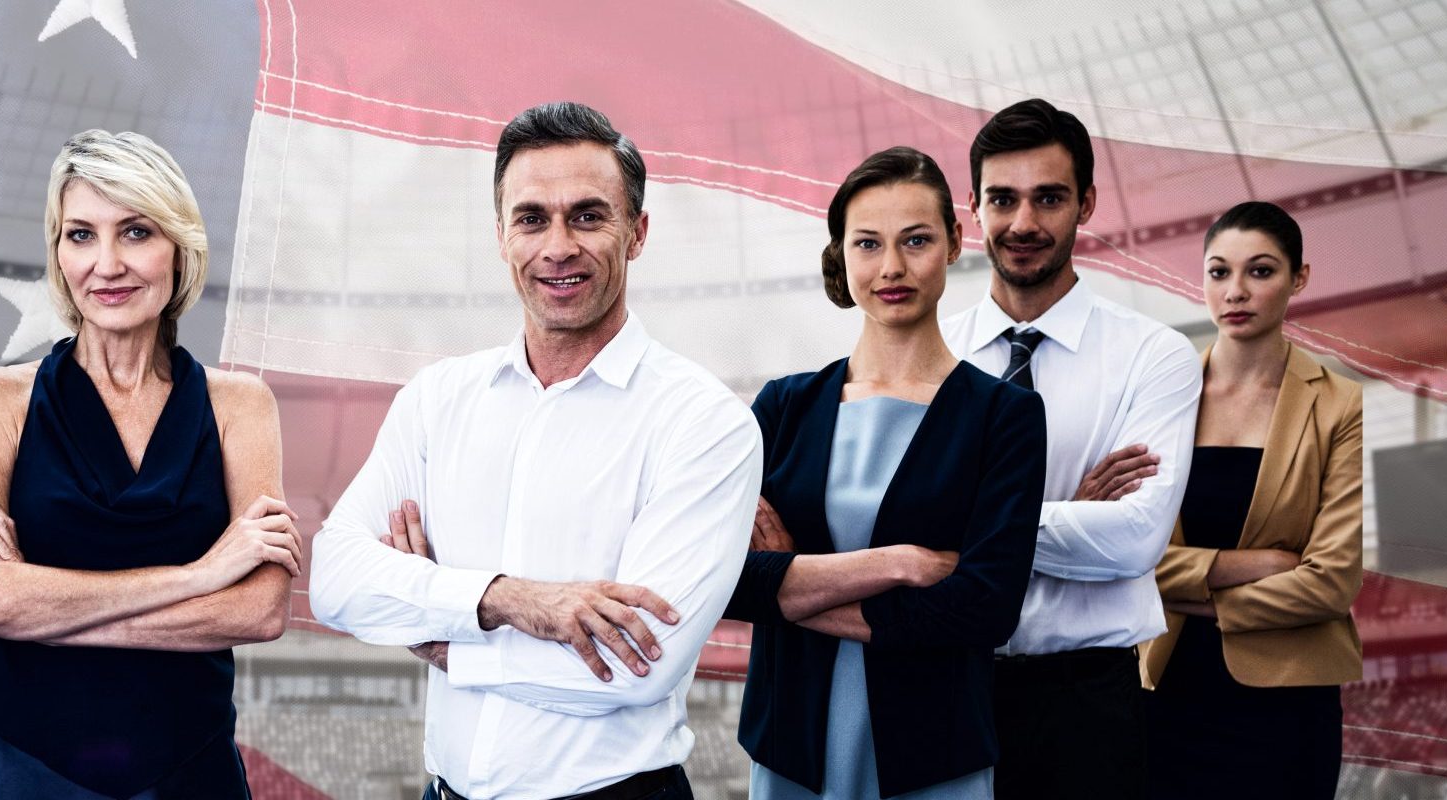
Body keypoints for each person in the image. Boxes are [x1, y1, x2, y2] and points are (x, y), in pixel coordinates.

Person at [309, 101, 760, 800]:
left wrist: (444, 634)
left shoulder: (703, 422)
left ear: (637, 233)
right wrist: (503, 600)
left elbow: (643, 664)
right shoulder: (438, 399)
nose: (557, 246)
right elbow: (335, 580)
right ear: (500, 236)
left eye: (587, 215)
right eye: (531, 218)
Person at [0, 129, 294, 798]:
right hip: (23, 771)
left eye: (135, 232)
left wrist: (41, 606)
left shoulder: (241, 406)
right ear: (57, 252)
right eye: (80, 235)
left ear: (179, 248)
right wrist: (200, 575)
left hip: (189, 772)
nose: (106, 264)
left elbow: (260, 609)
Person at [723, 147, 1045, 800]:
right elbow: (722, 583)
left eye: (916, 240)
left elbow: (986, 610)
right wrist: (898, 563)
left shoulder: (1005, 416)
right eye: (868, 243)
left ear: (955, 243)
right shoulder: (782, 409)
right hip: (792, 757)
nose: (892, 267)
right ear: (842, 253)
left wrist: (791, 584)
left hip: (935, 763)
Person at [936, 99, 1204, 799]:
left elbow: (1134, 541)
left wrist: (964, 527)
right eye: (1003, 199)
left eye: (1048, 198)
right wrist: (1064, 512)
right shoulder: (926, 355)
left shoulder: (1156, 355)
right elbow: (884, 528)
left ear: (1086, 204)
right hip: (943, 690)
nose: (1023, 223)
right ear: (972, 207)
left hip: (1086, 706)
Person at [1136, 201, 1362, 798]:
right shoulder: (1158, 395)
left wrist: (1202, 598)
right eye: (1219, 272)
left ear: (1299, 278)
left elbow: (1331, 582)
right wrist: (1248, 566)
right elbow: (1128, 554)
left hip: (1288, 707)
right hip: (1166, 692)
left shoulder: (1339, 404)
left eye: (1260, 272)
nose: (1235, 291)